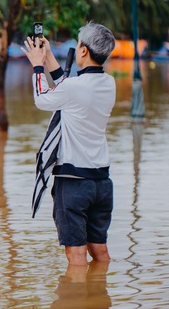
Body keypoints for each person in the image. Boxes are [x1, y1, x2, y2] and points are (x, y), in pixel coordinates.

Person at [22, 22, 117, 266]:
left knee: (76, 257)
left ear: (83, 51)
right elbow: (67, 87)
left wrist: (37, 65)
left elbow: (43, 99)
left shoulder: (75, 88)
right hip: (101, 183)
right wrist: (50, 57)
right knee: (100, 251)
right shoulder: (109, 84)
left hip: (73, 183)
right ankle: (100, 296)